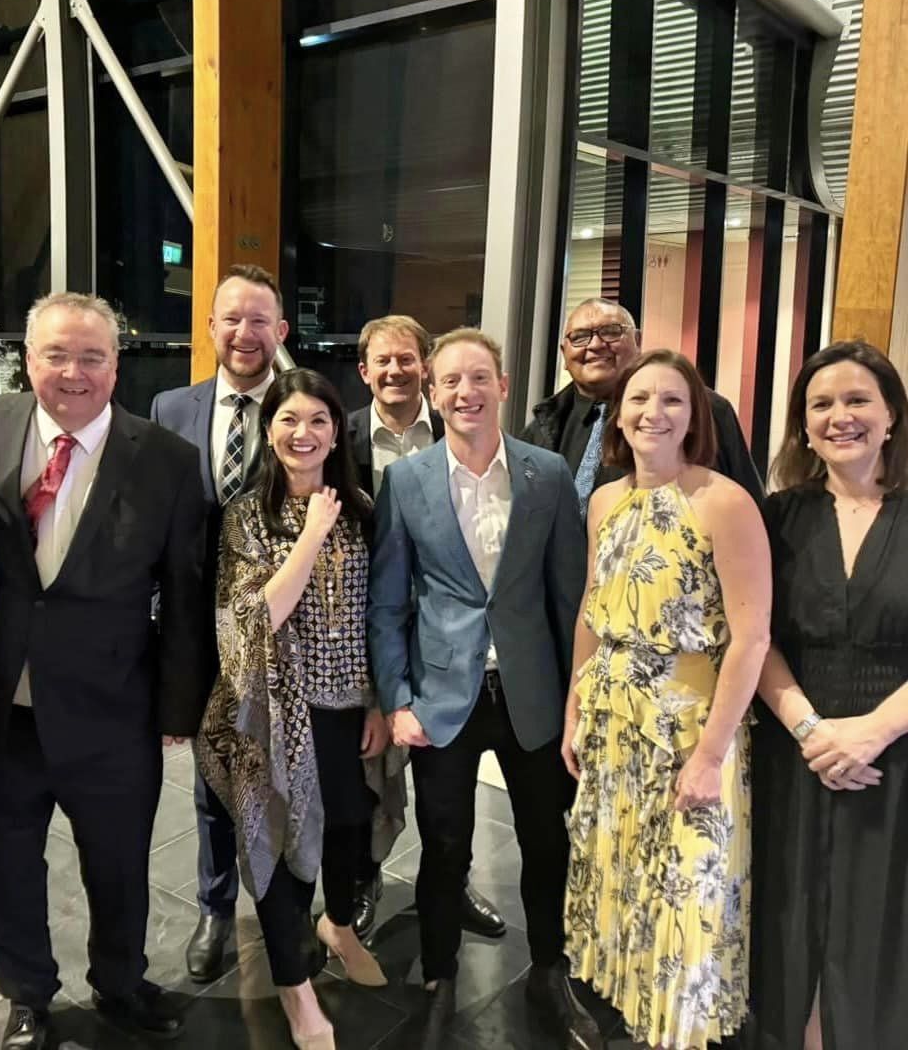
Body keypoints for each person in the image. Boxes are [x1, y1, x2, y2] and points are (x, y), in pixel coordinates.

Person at [0, 292, 208, 1049]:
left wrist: (176, 711)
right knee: (5, 869)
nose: (73, 372)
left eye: (92, 356)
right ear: (28, 360)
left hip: (113, 711)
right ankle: (27, 995)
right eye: (56, 354)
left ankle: (121, 983)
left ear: (116, 363)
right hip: (4, 711)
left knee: (120, 864)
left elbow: (186, 597)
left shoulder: (165, 460)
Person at [369, 327, 599, 1047]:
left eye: (479, 379)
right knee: (444, 846)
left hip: (532, 692)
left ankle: (550, 968)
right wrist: (398, 698)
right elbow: (388, 601)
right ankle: (440, 973)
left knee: (545, 841)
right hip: (444, 694)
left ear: (503, 385)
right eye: (450, 383)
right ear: (433, 395)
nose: (464, 393)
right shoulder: (406, 481)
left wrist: (576, 700)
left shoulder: (547, 475)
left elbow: (572, 599)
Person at [563, 349, 770, 1050]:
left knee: (687, 887)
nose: (654, 412)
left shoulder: (722, 499)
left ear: (695, 415)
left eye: (672, 400)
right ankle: (631, 1009)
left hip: (688, 729)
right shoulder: (604, 499)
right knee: (623, 872)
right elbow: (593, 611)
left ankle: (680, 1028)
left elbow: (750, 639)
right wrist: (573, 714)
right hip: (611, 718)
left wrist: (711, 754)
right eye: (640, 399)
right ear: (617, 414)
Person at [196, 368, 393, 1050]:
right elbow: (252, 623)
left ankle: (337, 923)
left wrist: (372, 699)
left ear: (337, 430)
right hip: (272, 719)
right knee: (276, 848)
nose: (302, 433)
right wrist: (310, 533)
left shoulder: (362, 506)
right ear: (267, 428)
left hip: (344, 708)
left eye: (317, 420)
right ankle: (296, 990)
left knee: (347, 825)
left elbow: (376, 615)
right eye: (289, 419)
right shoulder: (246, 516)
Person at [750, 340, 908, 1050]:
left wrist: (874, 729)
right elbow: (752, 639)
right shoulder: (777, 516)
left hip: (895, 754)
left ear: (892, 416)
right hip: (796, 750)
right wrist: (814, 730)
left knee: (880, 927)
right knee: (788, 919)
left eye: (857, 400)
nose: (839, 416)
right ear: (802, 424)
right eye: (821, 404)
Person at [346, 313, 505, 942]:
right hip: (368, 628)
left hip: (452, 638)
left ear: (426, 372)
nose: (394, 371)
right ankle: (364, 879)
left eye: (407, 359)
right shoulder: (341, 436)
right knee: (370, 769)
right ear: (364, 372)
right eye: (381, 361)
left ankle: (451, 880)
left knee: (449, 786)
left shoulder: (462, 431)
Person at [150, 263, 289, 982]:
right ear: (209, 328)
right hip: (197, 628)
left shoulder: (303, 406)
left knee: (284, 770)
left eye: (259, 320)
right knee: (211, 776)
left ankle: (285, 903)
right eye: (231, 318)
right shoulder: (171, 406)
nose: (244, 333)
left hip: (281, 631)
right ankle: (213, 906)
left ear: (281, 332)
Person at [520, 297, 764, 514]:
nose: (595, 345)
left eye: (611, 331)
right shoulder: (543, 427)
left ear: (637, 341)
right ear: (564, 354)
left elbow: (751, 509)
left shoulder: (704, 410)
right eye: (580, 337)